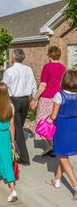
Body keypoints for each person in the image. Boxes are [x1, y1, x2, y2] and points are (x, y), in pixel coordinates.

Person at [46, 70, 77, 201]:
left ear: (64, 80)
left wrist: (47, 120)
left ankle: (76, 186)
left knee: (63, 157)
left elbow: (53, 115)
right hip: (74, 127)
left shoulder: (59, 95)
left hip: (62, 129)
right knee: (62, 155)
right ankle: (57, 180)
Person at [2, 48, 37, 165]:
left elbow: (4, 88)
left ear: (13, 58)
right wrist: (34, 98)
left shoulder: (9, 71)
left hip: (14, 100)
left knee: (18, 129)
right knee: (18, 126)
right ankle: (10, 146)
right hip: (25, 100)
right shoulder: (28, 69)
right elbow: (33, 84)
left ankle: (24, 158)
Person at [30, 46, 66, 156]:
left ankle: (50, 145)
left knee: (41, 122)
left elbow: (42, 85)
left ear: (50, 55)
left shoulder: (47, 67)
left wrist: (35, 98)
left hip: (46, 98)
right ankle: (53, 145)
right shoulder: (63, 68)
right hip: (59, 98)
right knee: (53, 122)